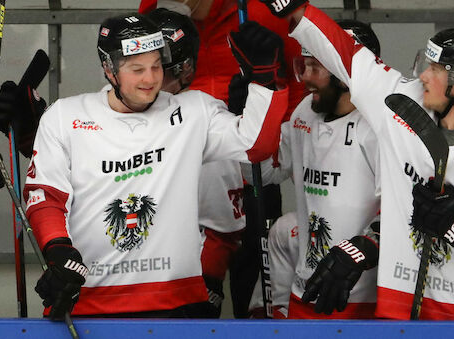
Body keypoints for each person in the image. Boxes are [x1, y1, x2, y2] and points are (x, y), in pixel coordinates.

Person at [259, 0, 454, 320]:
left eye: (435, 68)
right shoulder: (399, 104)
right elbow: (346, 54)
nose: (423, 75)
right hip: (409, 310)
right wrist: (296, 9)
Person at [23, 12, 288, 318]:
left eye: (156, 66)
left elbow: (256, 146)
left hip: (178, 301)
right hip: (90, 300)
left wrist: (265, 81)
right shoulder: (64, 116)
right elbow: (45, 195)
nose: (150, 79)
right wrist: (57, 250)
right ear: (109, 69)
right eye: (137, 69)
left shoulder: (194, 110)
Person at [139, 0, 307, 317]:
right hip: (186, 159)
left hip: (252, 157)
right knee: (190, 277)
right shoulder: (155, 7)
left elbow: (296, 77)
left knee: (255, 273)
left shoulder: (258, 10)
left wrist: (283, 143)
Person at [245, 19, 382, 319]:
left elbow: (403, 211)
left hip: (358, 298)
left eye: (315, 68)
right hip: (303, 293)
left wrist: (362, 250)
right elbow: (265, 173)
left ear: (349, 74)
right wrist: (251, 116)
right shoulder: (305, 109)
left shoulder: (380, 128)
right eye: (302, 65)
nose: (304, 77)